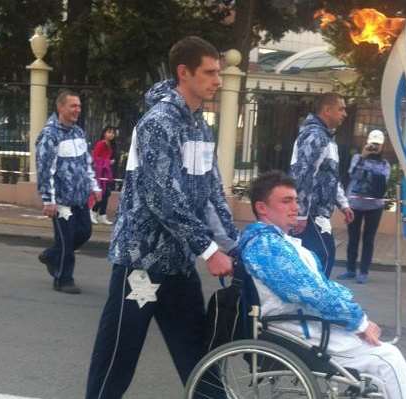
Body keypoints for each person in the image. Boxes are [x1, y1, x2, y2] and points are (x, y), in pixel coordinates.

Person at [85, 36, 238, 399]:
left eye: (218, 72)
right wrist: (208, 249)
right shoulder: (158, 123)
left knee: (199, 360)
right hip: (141, 264)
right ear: (184, 73)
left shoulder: (200, 126)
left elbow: (211, 192)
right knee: (117, 360)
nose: (218, 80)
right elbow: (161, 196)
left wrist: (233, 244)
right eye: (210, 72)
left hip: (179, 264)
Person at [240, 170, 406, 399]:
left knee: (380, 357)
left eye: (296, 200)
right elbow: (313, 291)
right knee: (387, 358)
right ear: (262, 208)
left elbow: (320, 287)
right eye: (286, 201)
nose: (295, 207)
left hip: (306, 322)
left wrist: (354, 315)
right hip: (297, 328)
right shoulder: (266, 246)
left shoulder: (278, 241)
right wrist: (358, 322)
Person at [36, 90, 101, 295]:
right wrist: (48, 200)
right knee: (66, 241)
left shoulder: (78, 132)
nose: (77, 110)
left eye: (79, 106)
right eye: (73, 106)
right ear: (60, 107)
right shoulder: (49, 136)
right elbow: (45, 171)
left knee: (84, 232)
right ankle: (63, 279)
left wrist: (95, 187)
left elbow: (87, 163)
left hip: (80, 198)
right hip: (62, 201)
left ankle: (51, 255)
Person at [289, 92, 354, 278]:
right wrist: (300, 214)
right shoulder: (315, 136)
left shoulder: (326, 137)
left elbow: (331, 175)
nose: (345, 114)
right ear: (327, 110)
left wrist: (343, 204)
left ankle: (303, 304)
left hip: (317, 214)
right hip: (310, 214)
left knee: (317, 262)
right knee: (322, 259)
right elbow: (303, 174)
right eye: (341, 109)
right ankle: (307, 304)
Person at [338, 129, 391, 284]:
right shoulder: (357, 158)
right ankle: (350, 269)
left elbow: (382, 181)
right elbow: (352, 174)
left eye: (378, 145)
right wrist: (363, 157)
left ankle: (364, 271)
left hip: (374, 206)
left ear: (382, 146)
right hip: (355, 204)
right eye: (372, 144)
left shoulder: (385, 164)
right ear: (367, 143)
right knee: (353, 238)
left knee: (369, 239)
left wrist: (368, 171)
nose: (375, 147)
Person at [90, 126, 117, 225]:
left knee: (106, 194)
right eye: (109, 132)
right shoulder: (101, 143)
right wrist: (108, 162)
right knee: (102, 194)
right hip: (100, 172)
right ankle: (92, 212)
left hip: (107, 172)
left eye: (113, 133)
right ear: (104, 133)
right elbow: (95, 158)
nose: (111, 135)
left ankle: (102, 215)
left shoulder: (111, 145)